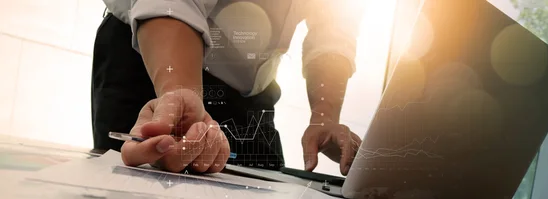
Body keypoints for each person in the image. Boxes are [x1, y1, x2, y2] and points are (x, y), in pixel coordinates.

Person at [93, 0, 363, 175]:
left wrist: (324, 117)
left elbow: (333, 29)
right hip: (154, 56)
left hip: (253, 90)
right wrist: (179, 93)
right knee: (139, 197)